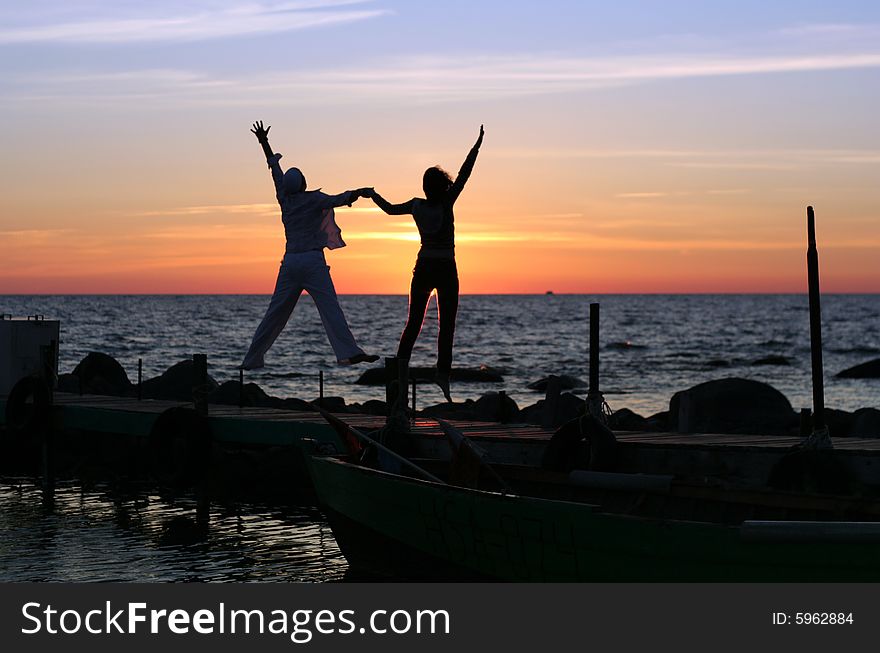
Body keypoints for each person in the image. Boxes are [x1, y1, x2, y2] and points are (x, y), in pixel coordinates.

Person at [240, 121, 378, 370]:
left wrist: (264, 142)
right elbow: (340, 198)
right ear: (303, 183)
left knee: (274, 314)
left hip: (291, 262)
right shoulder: (314, 198)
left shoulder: (284, 199)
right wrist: (361, 192)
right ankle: (349, 352)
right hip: (312, 262)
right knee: (330, 308)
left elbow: (274, 168)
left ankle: (251, 360)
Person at [368, 125, 484, 401]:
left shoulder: (416, 205)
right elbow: (465, 174)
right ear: (442, 185)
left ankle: (399, 371)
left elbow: (389, 209)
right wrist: (477, 146)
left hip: (423, 268)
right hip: (445, 269)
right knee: (447, 325)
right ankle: (442, 374)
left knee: (414, 324)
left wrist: (372, 194)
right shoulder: (447, 202)